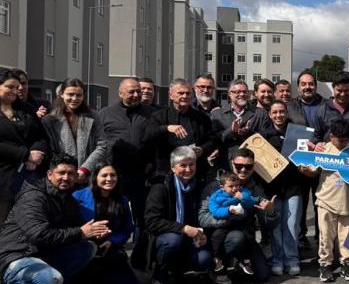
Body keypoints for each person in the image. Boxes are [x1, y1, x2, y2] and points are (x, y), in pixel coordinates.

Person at [2, 154, 106, 284]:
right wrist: (80, 232)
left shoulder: (67, 199)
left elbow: (76, 228)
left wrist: (95, 232)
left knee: (88, 248)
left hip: (42, 253)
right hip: (16, 254)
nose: (66, 177)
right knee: (50, 281)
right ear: (50, 174)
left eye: (71, 174)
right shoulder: (33, 197)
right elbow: (39, 234)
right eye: (61, 173)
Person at [144, 146, 211, 284]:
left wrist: (202, 234)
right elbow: (151, 222)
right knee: (172, 240)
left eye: (192, 164)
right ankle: (159, 277)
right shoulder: (160, 188)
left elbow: (203, 215)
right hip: (162, 238)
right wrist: (184, 228)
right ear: (173, 168)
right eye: (183, 165)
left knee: (204, 259)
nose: (188, 169)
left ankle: (177, 271)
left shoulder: (198, 186)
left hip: (189, 238)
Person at [198, 147, 272, 284]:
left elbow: (269, 224)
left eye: (248, 166)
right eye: (239, 166)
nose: (243, 170)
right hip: (221, 235)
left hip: (246, 236)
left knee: (263, 275)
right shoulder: (215, 188)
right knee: (236, 237)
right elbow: (202, 218)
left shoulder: (255, 189)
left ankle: (239, 261)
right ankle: (217, 268)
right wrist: (227, 216)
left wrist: (270, 211)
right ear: (232, 164)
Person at [96, 78, 155, 235]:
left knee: (141, 217)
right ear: (120, 93)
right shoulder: (105, 114)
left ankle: (138, 254)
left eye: (138, 91)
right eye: (131, 92)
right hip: (114, 174)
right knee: (113, 214)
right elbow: (98, 143)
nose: (136, 95)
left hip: (143, 175)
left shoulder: (152, 114)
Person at [72, 165, 139, 284]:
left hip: (109, 245)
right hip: (83, 243)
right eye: (104, 175)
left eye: (113, 175)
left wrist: (112, 241)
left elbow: (127, 228)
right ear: (95, 177)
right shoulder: (77, 197)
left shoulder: (122, 200)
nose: (109, 179)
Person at [259, 100, 305, 275]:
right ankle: (278, 260)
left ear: (286, 113)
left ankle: (292, 259)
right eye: (275, 112)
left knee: (292, 225)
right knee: (276, 226)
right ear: (270, 114)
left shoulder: (297, 132)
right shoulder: (263, 135)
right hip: (273, 189)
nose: (279, 115)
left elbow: (303, 156)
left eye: (282, 112)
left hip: (293, 186)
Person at [312, 119, 349, 283]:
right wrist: (304, 166)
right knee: (326, 236)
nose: (343, 142)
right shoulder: (323, 149)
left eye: (346, 138)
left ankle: (346, 264)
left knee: (346, 237)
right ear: (331, 136)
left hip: (347, 202)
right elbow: (311, 171)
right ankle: (325, 265)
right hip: (325, 201)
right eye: (339, 139)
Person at [41, 78, 110, 187]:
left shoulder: (93, 116)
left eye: (79, 95)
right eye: (70, 94)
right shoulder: (50, 120)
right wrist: (68, 171)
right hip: (61, 178)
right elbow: (50, 149)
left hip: (88, 177)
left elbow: (102, 145)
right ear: (62, 94)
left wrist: (85, 169)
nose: (74, 98)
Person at [0, 69, 48, 223]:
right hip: (4, 177)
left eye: (17, 87)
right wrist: (25, 155)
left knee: (28, 220)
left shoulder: (25, 109)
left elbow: (41, 135)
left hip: (29, 176)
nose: (15, 91)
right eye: (10, 87)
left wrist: (36, 151)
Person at [145, 79, 217, 178]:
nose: (185, 96)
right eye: (181, 93)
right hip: (165, 171)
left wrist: (202, 149)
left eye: (188, 93)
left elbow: (212, 139)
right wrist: (166, 128)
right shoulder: (159, 116)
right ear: (171, 95)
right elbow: (147, 135)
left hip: (195, 171)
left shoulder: (201, 118)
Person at [287, 69, 324, 248]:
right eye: (304, 84)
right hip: (299, 163)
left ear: (316, 86)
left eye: (311, 84)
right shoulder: (289, 106)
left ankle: (320, 237)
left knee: (321, 202)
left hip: (321, 161)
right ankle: (300, 239)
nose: (307, 87)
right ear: (298, 86)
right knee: (300, 203)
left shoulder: (326, 104)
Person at [206, 172, 256, 280]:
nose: (235, 189)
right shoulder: (217, 196)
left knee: (247, 237)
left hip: (240, 223)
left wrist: (243, 197)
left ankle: (246, 261)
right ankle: (217, 259)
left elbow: (252, 202)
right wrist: (228, 210)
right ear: (222, 187)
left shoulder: (243, 192)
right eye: (231, 186)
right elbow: (214, 211)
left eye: (237, 185)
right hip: (223, 224)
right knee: (216, 237)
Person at [210, 79, 265, 171]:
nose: (242, 94)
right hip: (226, 165)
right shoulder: (217, 114)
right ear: (229, 94)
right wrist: (231, 131)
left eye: (245, 92)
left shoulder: (259, 113)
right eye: (237, 92)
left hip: (252, 166)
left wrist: (249, 133)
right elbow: (214, 140)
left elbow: (266, 138)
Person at [312, 71, 349, 147]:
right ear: (333, 88)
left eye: (346, 90)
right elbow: (316, 138)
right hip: (331, 157)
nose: (342, 94)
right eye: (339, 90)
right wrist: (317, 144)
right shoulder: (322, 110)